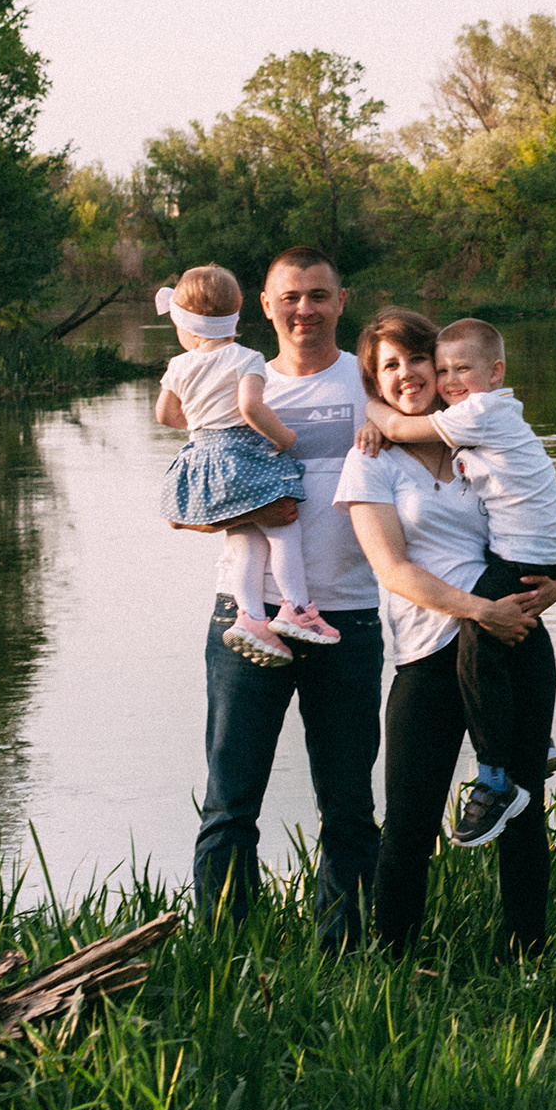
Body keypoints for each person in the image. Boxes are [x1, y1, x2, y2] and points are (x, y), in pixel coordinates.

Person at [338, 307, 556, 959]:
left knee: (523, 812)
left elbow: (554, 521)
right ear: (376, 382)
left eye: (415, 360)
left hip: (514, 643)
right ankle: (392, 966)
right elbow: (393, 571)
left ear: (438, 365)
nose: (407, 375)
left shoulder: (478, 434)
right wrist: (480, 611)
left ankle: (528, 954)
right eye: (387, 367)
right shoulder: (371, 463)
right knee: (410, 826)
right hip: (430, 653)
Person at [191, 246, 384, 951]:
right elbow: (188, 503)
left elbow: (455, 468)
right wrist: (245, 514)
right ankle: (221, 954)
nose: (305, 309)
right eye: (291, 297)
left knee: (349, 806)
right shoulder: (238, 382)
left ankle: (345, 954)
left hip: (348, 617)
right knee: (230, 804)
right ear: (265, 308)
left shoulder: (375, 385)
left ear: (342, 301)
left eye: (319, 295)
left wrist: (555, 531)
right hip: (248, 620)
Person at [154, 264, 341, 667]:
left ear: (186, 326)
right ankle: (295, 606)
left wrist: (202, 427)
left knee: (245, 539)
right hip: (243, 454)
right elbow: (250, 407)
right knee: (283, 529)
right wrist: (285, 438)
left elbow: (166, 415)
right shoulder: (246, 358)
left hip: (203, 455)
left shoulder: (179, 366)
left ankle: (251, 617)